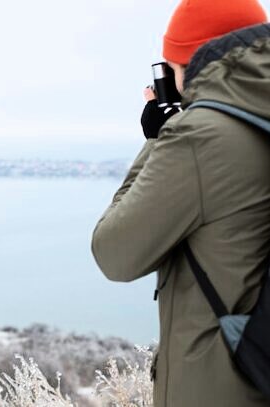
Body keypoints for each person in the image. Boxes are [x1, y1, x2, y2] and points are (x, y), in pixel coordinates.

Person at [91, 1, 270, 406]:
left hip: (223, 387)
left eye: (170, 68)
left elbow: (114, 253)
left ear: (190, 62)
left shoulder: (199, 137)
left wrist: (159, 138)